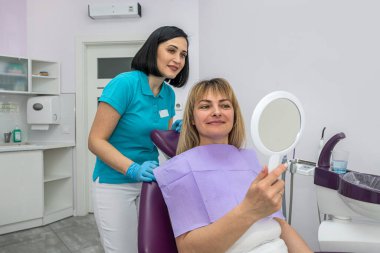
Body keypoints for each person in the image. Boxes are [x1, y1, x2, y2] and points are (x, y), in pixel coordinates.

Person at [154, 78, 312, 253]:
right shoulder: (179, 170)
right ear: (191, 118)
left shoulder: (248, 160)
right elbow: (188, 249)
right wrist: (249, 210)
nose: (216, 112)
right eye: (205, 106)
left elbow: (280, 225)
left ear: (234, 115)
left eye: (225, 105)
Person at [88, 26, 189, 253]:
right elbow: (95, 140)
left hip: (148, 183)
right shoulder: (125, 84)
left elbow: (156, 135)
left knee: (146, 247)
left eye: (182, 54)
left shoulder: (168, 93)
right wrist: (132, 168)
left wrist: (174, 131)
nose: (177, 59)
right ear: (153, 49)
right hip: (114, 183)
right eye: (171, 50)